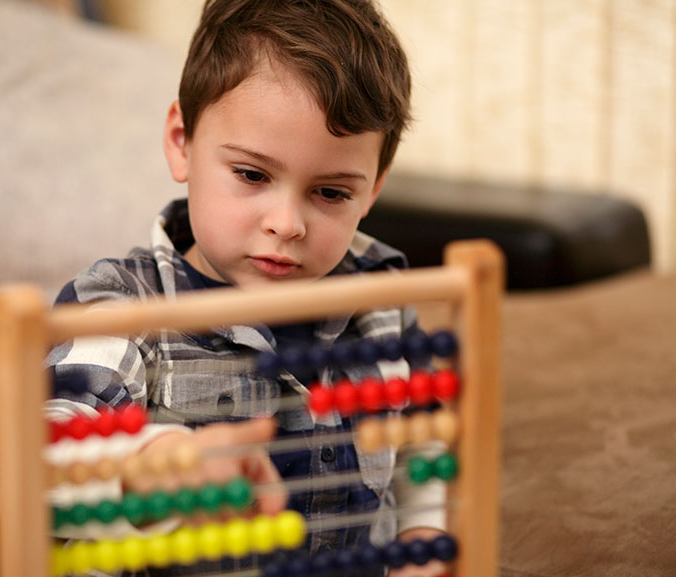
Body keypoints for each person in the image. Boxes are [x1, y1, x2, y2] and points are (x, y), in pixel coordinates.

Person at [46, 0, 447, 574]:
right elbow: (42, 466)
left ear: (374, 189)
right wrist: (148, 469)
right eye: (253, 175)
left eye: (331, 192)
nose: (287, 224)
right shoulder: (120, 308)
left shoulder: (380, 299)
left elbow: (420, 442)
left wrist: (424, 536)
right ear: (182, 142)